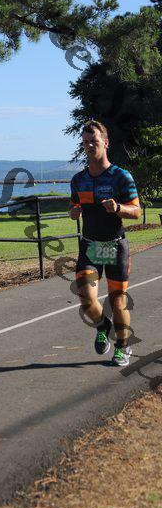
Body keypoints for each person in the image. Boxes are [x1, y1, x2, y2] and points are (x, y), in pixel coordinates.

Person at [69, 120, 141, 366]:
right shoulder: (78, 179)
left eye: (94, 141)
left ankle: (122, 346)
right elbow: (73, 205)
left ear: (105, 143)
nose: (90, 145)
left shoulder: (121, 176)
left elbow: (136, 211)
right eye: (85, 142)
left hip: (114, 246)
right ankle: (103, 325)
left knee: (117, 301)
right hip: (90, 245)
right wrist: (73, 212)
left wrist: (118, 208)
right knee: (87, 299)